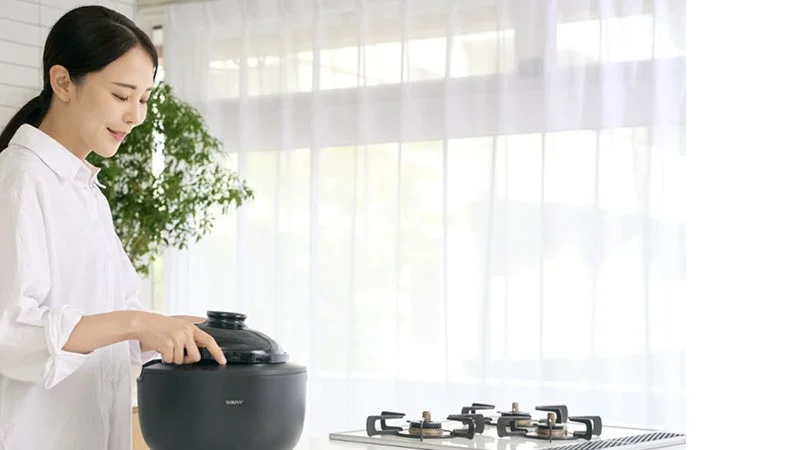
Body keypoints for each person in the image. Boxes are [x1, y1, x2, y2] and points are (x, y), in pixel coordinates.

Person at [0, 5, 227, 450]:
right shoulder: (20, 182)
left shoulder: (88, 195)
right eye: (122, 96)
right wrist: (136, 322)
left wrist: (166, 329)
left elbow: (106, 333)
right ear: (62, 81)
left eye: (143, 99)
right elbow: (13, 333)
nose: (136, 116)